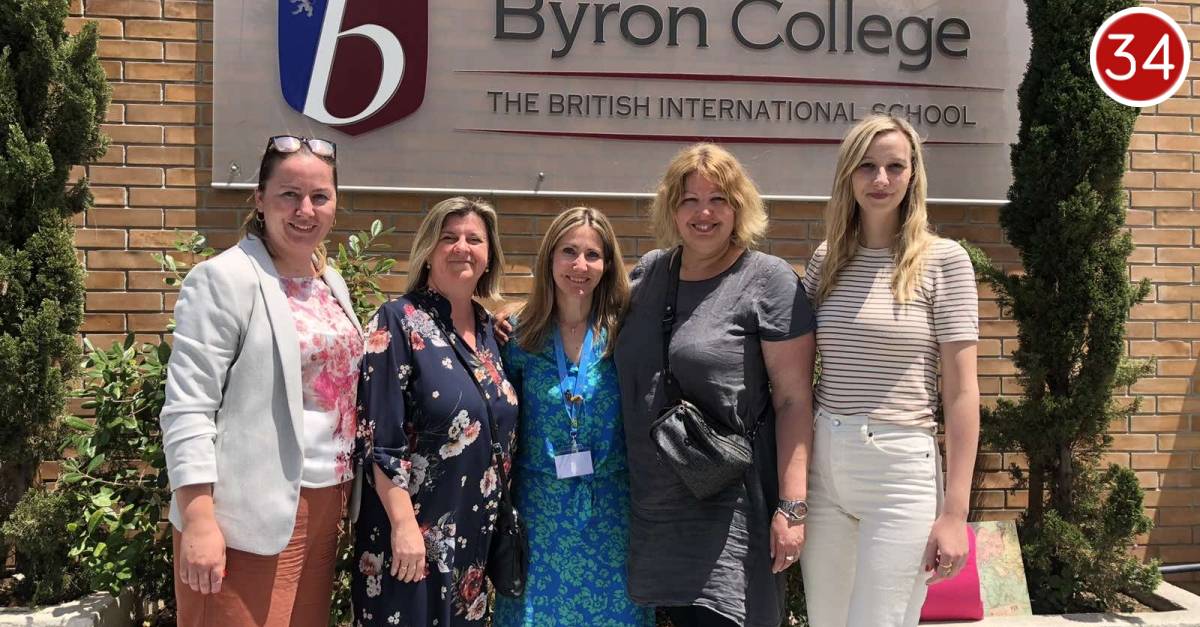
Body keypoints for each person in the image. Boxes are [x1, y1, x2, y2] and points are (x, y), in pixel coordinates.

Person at [160, 135, 362, 626]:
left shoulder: (330, 282)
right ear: (259, 199)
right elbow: (188, 406)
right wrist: (199, 518)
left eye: (319, 196)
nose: (305, 210)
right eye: (289, 194)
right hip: (243, 514)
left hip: (325, 501)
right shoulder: (224, 279)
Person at [613, 144, 817, 627]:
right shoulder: (649, 274)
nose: (703, 213)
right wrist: (511, 320)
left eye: (718, 199)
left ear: (738, 207)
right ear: (671, 209)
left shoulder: (767, 280)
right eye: (689, 200)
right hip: (655, 512)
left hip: (730, 511)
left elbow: (793, 400)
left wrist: (792, 507)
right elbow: (582, 317)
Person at [798, 114, 980, 626]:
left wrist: (955, 513)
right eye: (867, 166)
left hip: (899, 471)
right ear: (848, 174)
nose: (880, 179)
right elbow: (794, 373)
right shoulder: (826, 260)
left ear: (912, 174)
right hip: (825, 464)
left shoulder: (944, 261)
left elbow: (962, 393)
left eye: (894, 167)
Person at [352, 197, 519, 626]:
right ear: (429, 250)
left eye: (474, 239)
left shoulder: (491, 332)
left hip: (473, 542)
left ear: (489, 256)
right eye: (449, 237)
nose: (462, 247)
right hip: (411, 540)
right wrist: (403, 525)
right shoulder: (397, 321)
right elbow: (379, 438)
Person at [492, 207, 654, 627]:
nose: (579, 265)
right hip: (539, 511)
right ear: (549, 257)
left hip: (612, 512)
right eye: (568, 252)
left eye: (592, 255)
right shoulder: (517, 334)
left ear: (607, 265)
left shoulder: (626, 333)